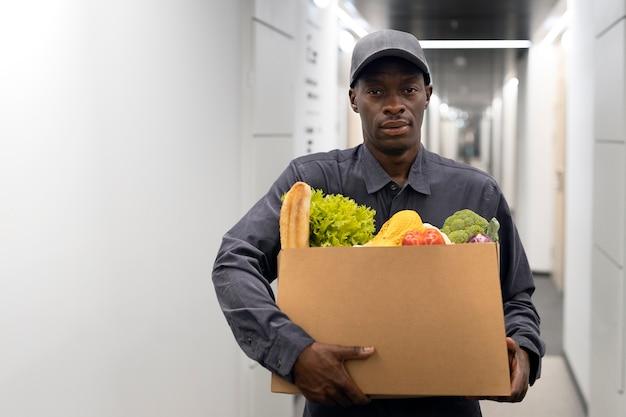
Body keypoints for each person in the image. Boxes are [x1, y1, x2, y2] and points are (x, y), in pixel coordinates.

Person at [212, 29, 545, 417]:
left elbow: (516, 295)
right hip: (338, 404)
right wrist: (293, 351)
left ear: (427, 96)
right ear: (353, 99)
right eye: (375, 92)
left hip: (447, 405)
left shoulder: (476, 192)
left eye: (408, 90)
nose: (394, 105)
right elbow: (235, 260)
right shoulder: (312, 182)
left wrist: (523, 348)